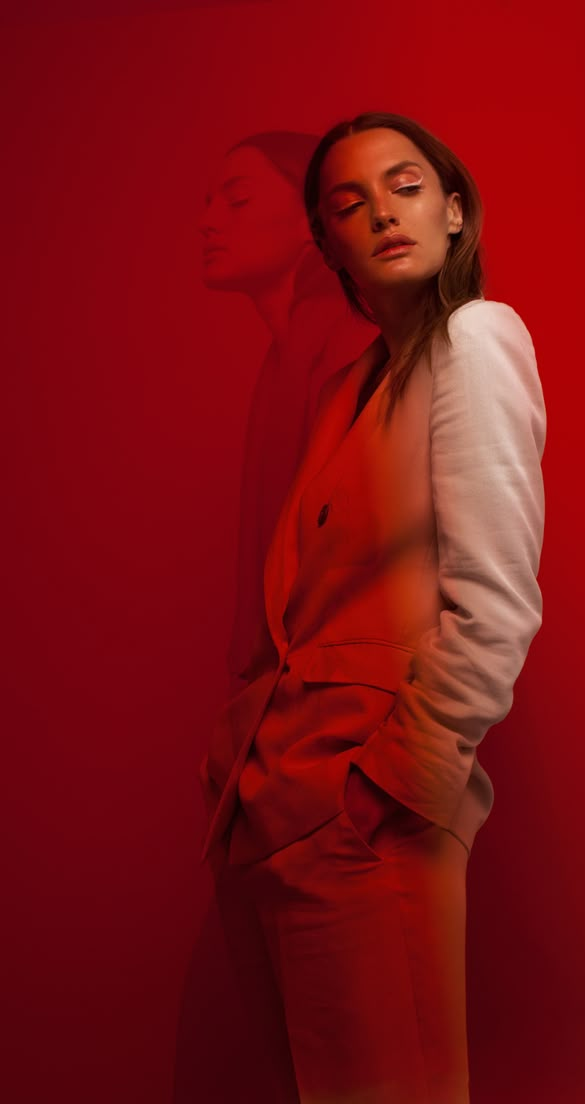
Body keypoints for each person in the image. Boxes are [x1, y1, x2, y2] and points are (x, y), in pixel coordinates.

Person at [199, 110, 547, 1103]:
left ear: (451, 208)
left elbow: (496, 596)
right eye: (348, 203)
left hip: (368, 810)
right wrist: (242, 768)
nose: (381, 213)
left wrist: (396, 785)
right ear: (328, 244)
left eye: (404, 185)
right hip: (273, 808)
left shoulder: (476, 340)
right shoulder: (345, 382)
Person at [199, 131, 377, 697]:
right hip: (293, 693)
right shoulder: (286, 355)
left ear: (314, 221)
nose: (208, 221)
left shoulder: (348, 344)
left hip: (336, 699)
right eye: (210, 202)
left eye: (239, 199)